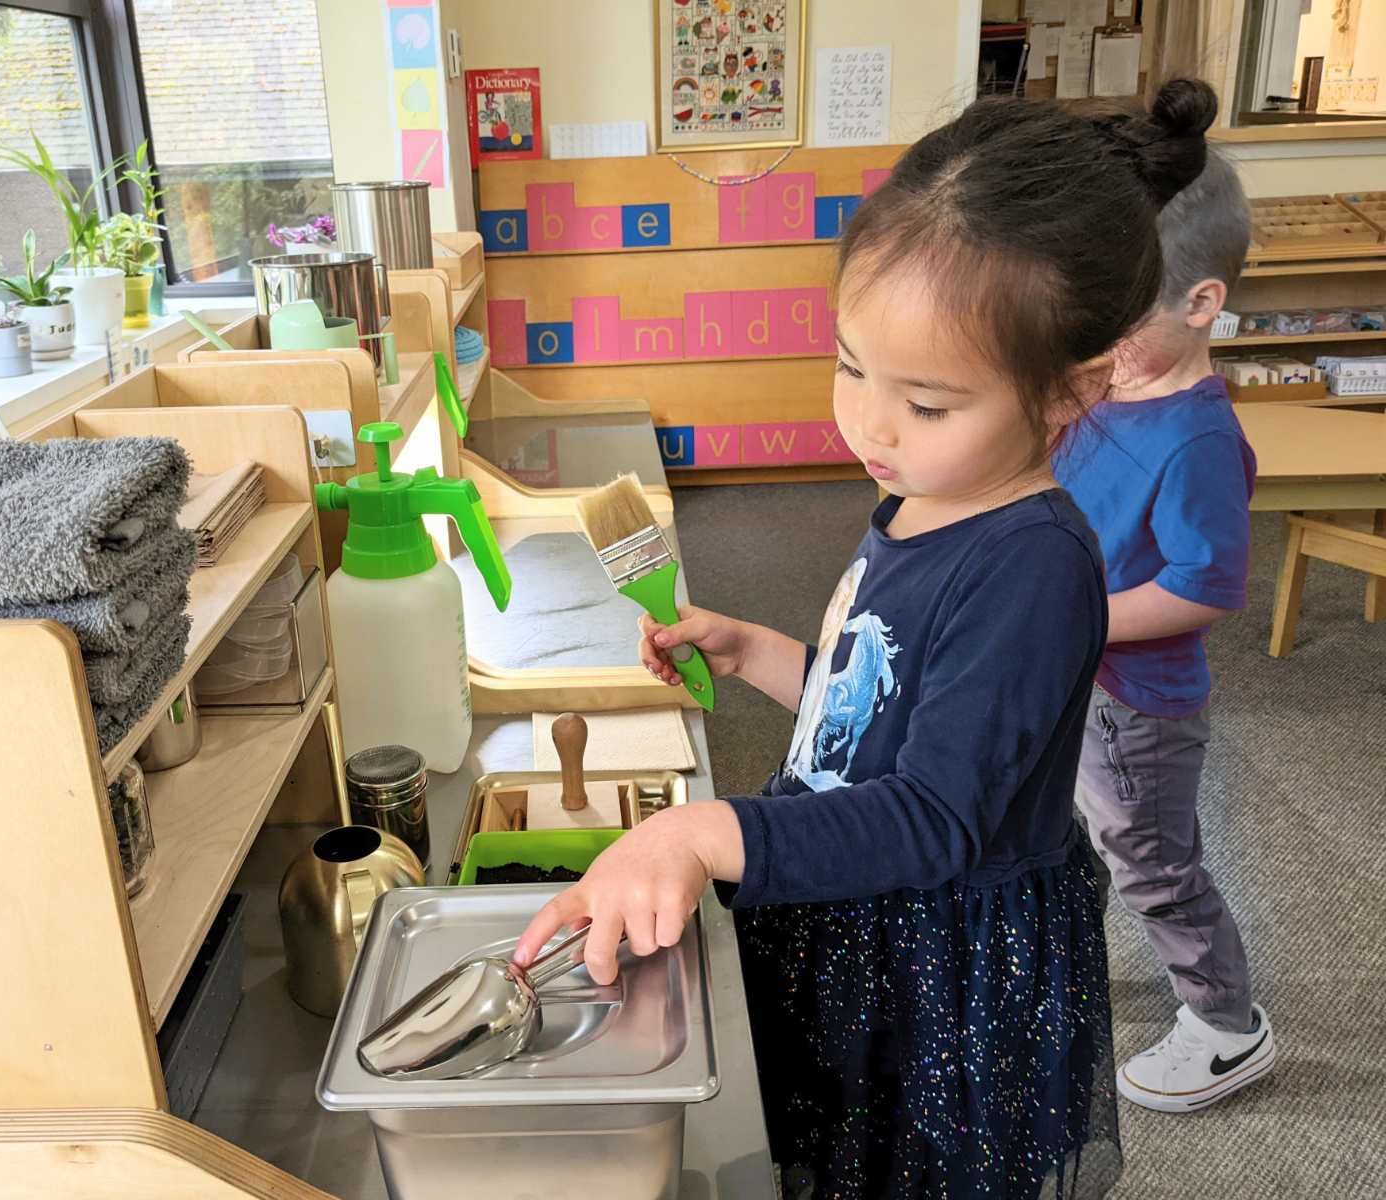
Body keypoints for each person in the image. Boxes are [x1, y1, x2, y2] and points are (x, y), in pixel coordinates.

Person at [515, 79, 1224, 1199]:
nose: (869, 422)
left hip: (939, 965)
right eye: (851, 365)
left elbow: (936, 813)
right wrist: (757, 650)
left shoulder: (1032, 566)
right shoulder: (919, 494)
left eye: (928, 402)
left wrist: (707, 829)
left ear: (1067, 391)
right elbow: (876, 711)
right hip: (863, 915)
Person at [1054, 149, 1272, 1113]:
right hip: (1073, 680)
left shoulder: (1197, 439)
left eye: (1118, 319)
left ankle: (1228, 1024)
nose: (1095, 338)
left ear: (1200, 302)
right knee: (1084, 839)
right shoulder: (1110, 387)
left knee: (1154, 861)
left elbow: (1207, 586)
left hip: (1136, 709)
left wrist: (1079, 616)